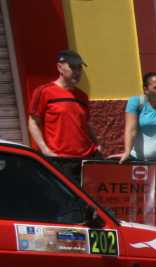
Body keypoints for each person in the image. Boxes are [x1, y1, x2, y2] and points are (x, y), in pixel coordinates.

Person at [27, 50, 104, 183]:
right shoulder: (44, 92)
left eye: (79, 68)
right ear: (60, 67)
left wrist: (98, 145)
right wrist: (45, 150)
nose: (77, 72)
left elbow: (86, 124)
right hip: (61, 160)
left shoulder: (82, 96)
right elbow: (33, 122)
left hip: (87, 158)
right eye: (73, 67)